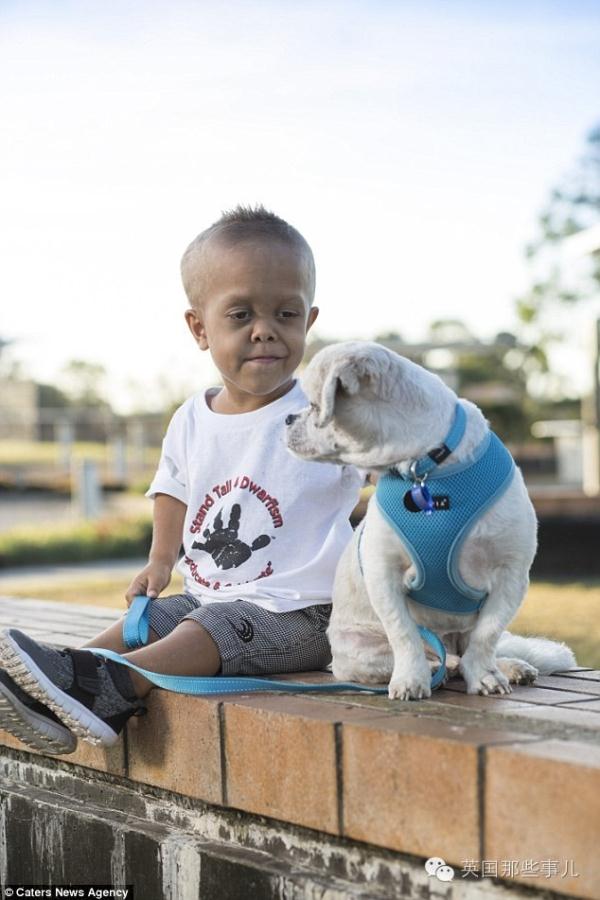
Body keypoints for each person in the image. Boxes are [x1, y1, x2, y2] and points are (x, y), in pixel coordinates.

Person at [0, 205, 365, 754]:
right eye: (240, 315)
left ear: (308, 321)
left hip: (305, 613)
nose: (265, 330)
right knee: (146, 622)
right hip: (207, 594)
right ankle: (53, 687)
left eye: (285, 315)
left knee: (207, 627)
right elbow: (172, 489)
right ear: (200, 328)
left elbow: (391, 464)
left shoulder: (325, 409)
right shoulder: (192, 417)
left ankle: (111, 689)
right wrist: (161, 560)